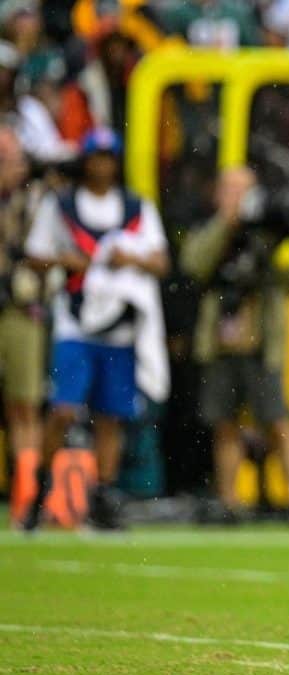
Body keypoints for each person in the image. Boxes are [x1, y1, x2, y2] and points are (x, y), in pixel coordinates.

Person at [23, 127, 168, 530]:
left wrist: (127, 260)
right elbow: (35, 257)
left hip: (118, 325)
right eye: (95, 156)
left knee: (111, 417)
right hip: (77, 319)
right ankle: (39, 487)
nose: (102, 164)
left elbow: (160, 262)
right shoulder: (63, 204)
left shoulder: (136, 207)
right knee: (64, 409)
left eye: (108, 157)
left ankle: (103, 497)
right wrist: (70, 263)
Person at [180, 166, 289, 526]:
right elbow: (194, 264)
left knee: (277, 421)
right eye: (230, 190)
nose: (237, 198)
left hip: (261, 342)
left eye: (244, 191)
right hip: (221, 343)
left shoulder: (270, 230)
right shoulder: (210, 229)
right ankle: (229, 501)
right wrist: (227, 224)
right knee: (224, 423)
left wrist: (272, 238)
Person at [0, 123, 48, 526]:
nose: (14, 169)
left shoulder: (34, 201)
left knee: (24, 406)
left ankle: (26, 497)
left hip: (18, 309)